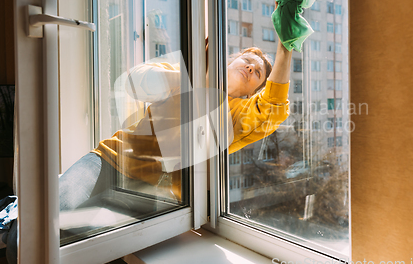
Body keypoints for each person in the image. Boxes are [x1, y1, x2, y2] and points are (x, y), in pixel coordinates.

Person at [59, 38, 293, 210]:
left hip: (153, 193)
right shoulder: (185, 73)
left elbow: (271, 108)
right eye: (247, 60)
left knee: (81, 244)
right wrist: (191, 79)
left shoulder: (235, 117)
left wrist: (285, 46)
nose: (251, 67)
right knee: (51, 216)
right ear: (232, 59)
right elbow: (135, 81)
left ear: (253, 92)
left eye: (258, 73)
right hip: (111, 159)